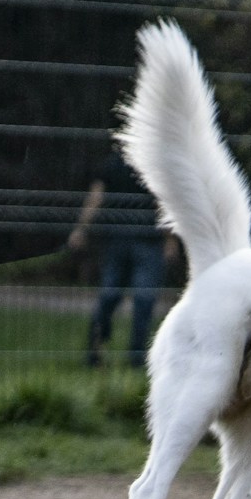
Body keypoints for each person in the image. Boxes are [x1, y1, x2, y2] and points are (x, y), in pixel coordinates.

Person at [69, 141, 177, 367]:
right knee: (143, 300)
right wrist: (169, 239)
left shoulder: (113, 163)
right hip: (143, 241)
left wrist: (81, 229)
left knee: (111, 295)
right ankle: (136, 358)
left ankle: (97, 351)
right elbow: (162, 203)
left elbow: (95, 198)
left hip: (122, 239)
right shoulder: (153, 164)